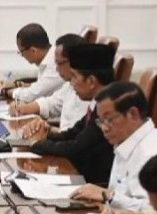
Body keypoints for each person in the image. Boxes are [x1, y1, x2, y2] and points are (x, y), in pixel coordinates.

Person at [69, 82, 157, 211]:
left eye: (109, 119)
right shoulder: (126, 140)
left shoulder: (151, 153)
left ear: (133, 114)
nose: (104, 128)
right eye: (101, 121)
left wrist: (108, 196)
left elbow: (153, 212)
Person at [29, 43, 116, 185]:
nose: (72, 83)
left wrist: (37, 144)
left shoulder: (110, 109)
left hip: (96, 187)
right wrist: (46, 133)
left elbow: (76, 148)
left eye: (74, 77)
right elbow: (74, 132)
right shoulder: (98, 103)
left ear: (92, 81)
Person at [12, 33, 89, 132]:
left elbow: (76, 137)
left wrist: (47, 130)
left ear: (74, 61)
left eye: (59, 64)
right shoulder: (69, 84)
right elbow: (54, 103)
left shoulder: (86, 93)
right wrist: (24, 108)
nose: (57, 69)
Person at [0, 23, 64, 102]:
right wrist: (14, 85)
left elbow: (32, 95)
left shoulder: (56, 62)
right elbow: (39, 85)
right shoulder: (49, 58)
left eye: (21, 52)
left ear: (33, 50)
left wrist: (4, 91)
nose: (22, 56)